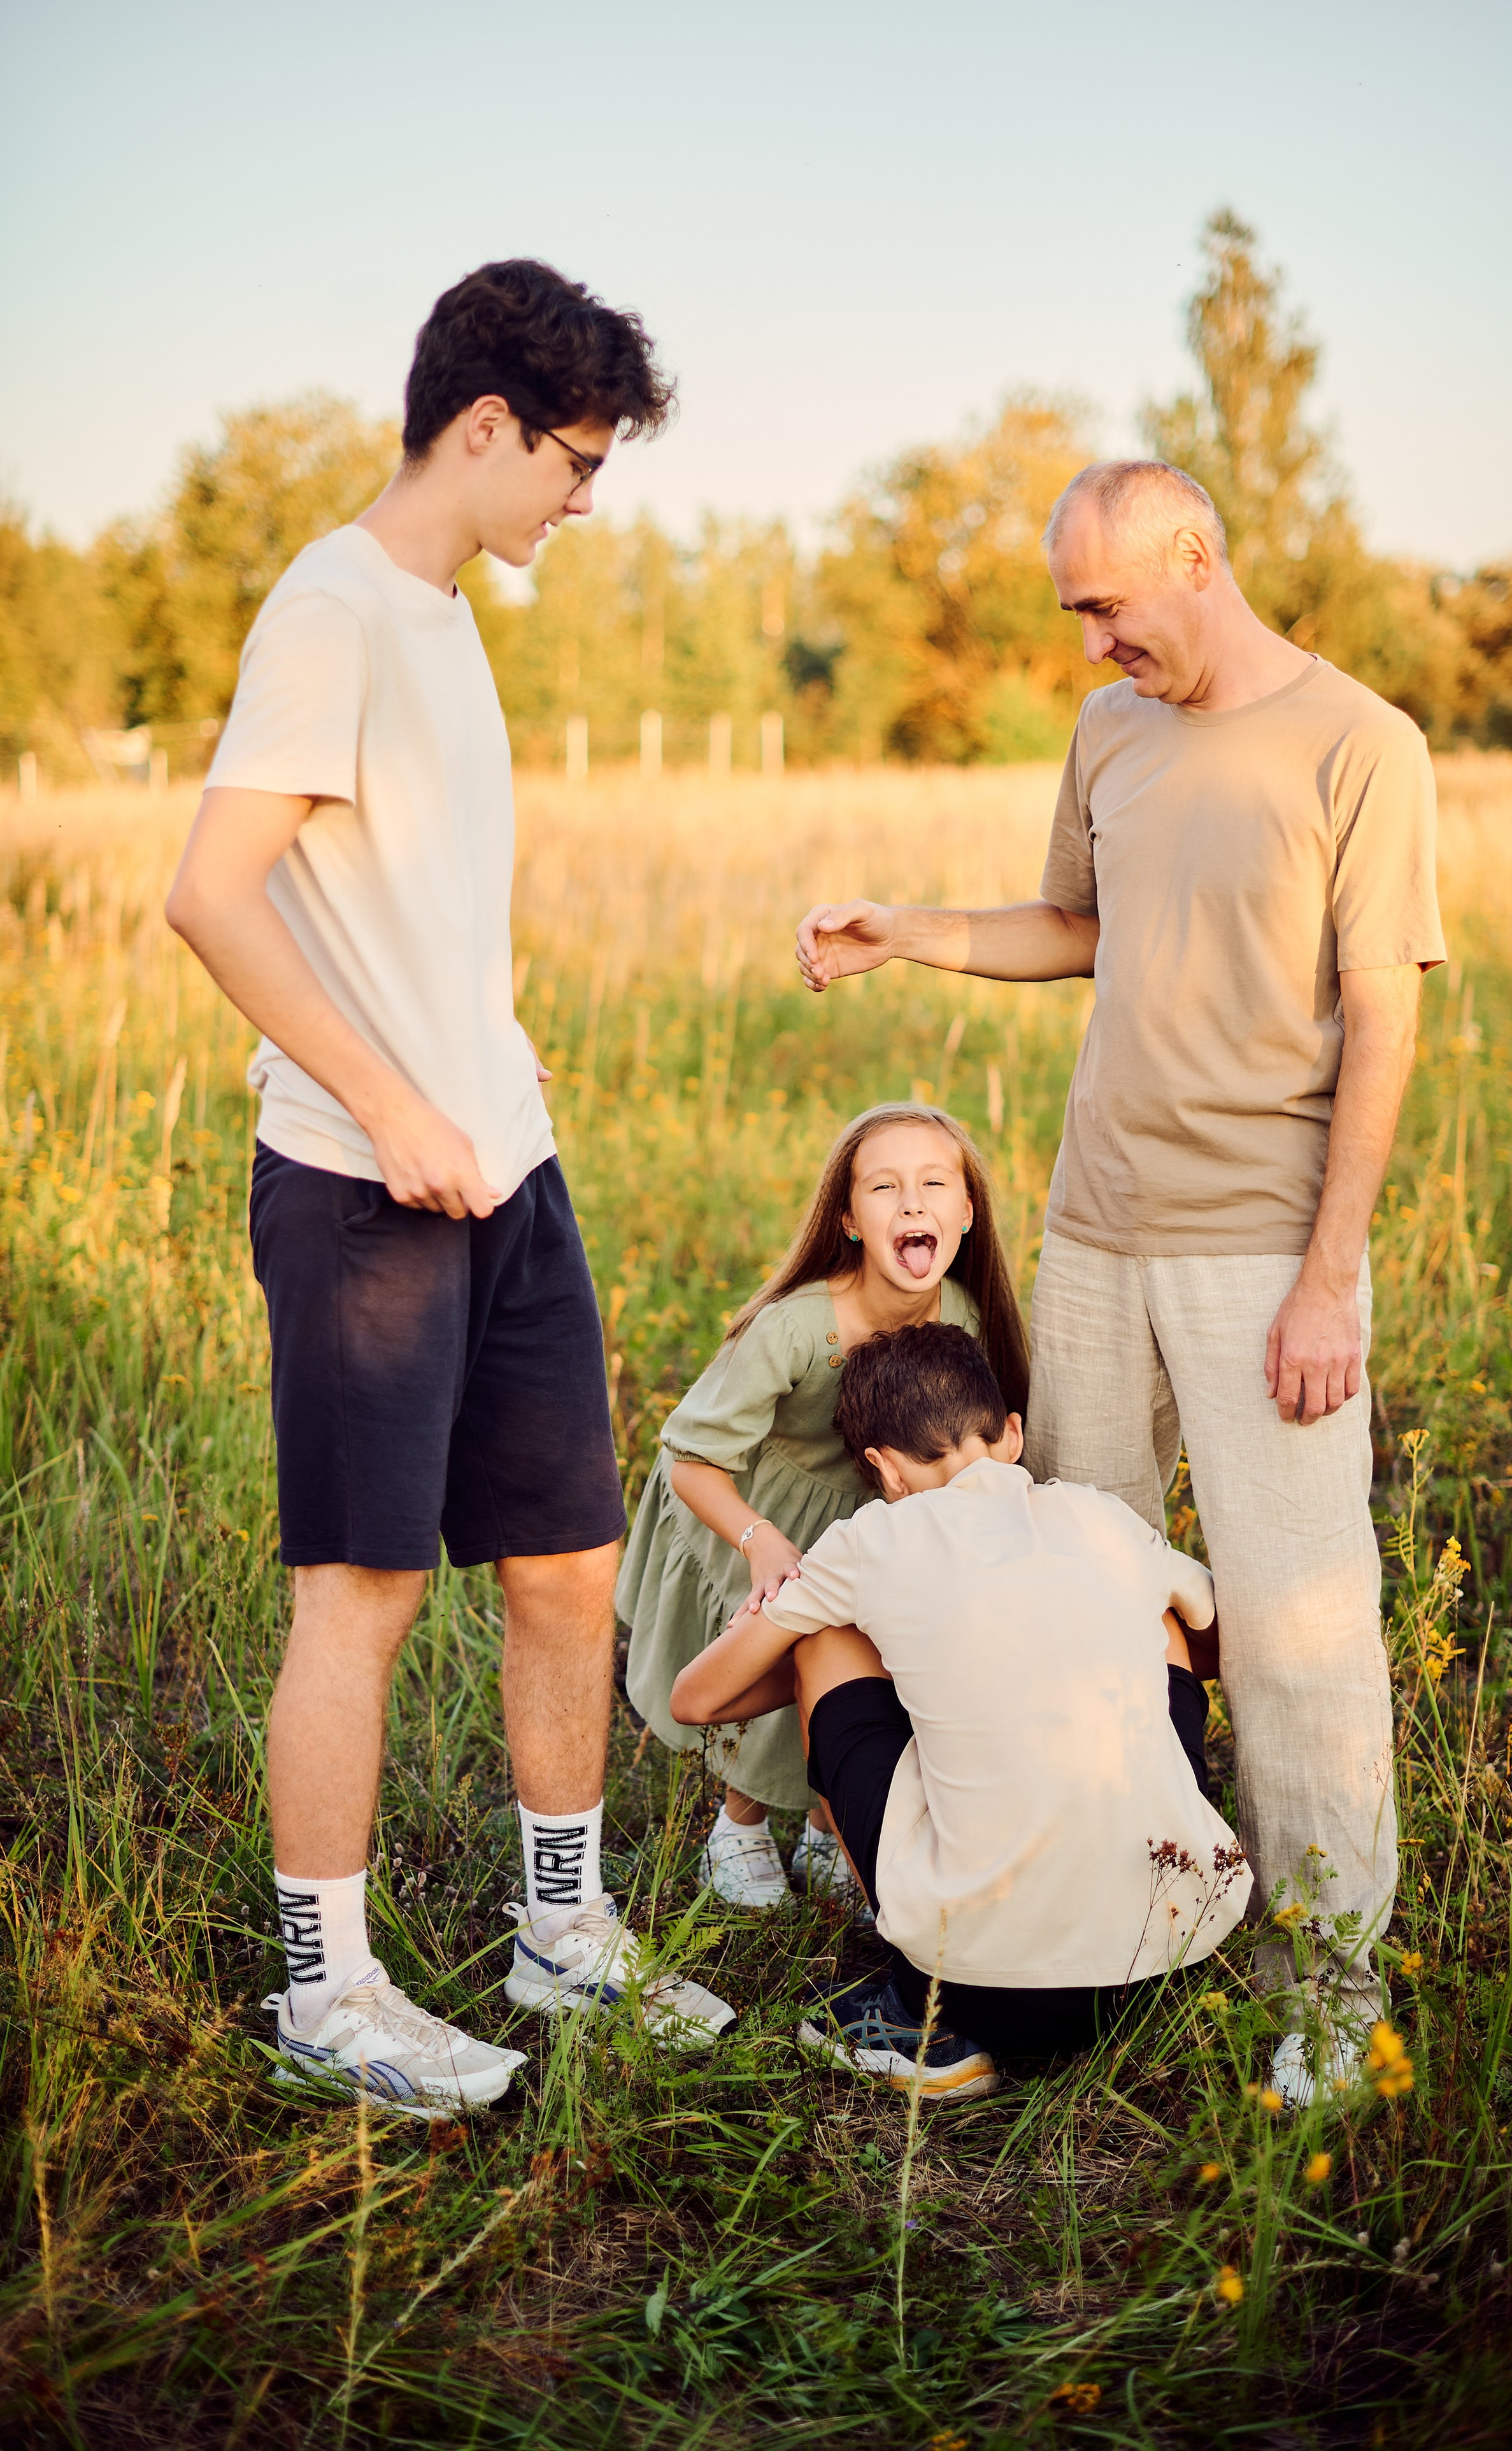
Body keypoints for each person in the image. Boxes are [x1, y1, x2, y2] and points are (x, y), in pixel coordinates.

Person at [793, 461, 1445, 2108]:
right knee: (1060, 1602)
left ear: (1194, 559)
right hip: (1093, 1236)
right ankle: (1083, 1914)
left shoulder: (1361, 744)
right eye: (1073, 610)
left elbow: (1385, 1022)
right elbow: (1077, 923)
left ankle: (1322, 1991)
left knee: (1298, 1633)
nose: (1090, 642)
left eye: (1105, 605)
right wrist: (913, 931)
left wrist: (1328, 1278)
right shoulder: (1115, 736)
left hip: (1259, 1250)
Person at [166, 259, 734, 2116]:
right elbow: (212, 890)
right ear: (481, 424)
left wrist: (481, 1074)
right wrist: (392, 1100)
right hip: (364, 1192)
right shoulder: (328, 608)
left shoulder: (443, 615)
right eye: (574, 459)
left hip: (511, 1171)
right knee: (366, 1590)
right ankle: (326, 1994)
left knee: (568, 1566)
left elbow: (400, 906)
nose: (587, 496)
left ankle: (556, 1936)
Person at [671, 1323, 1245, 2099]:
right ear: (1011, 1434)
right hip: (1168, 1955)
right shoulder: (1098, 1516)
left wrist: (825, 1648)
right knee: (1164, 1617)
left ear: (884, 1470)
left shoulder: (870, 1539)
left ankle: (915, 2018)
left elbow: (698, 1698)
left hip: (977, 1990)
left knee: (822, 1639)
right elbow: (1220, 1646)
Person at [620, 1104, 1028, 1908]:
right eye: (884, 1187)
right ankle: (735, 1829)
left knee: (873, 1668)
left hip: (880, 1515)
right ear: (847, 1219)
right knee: (778, 1660)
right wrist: (759, 1539)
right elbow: (691, 1458)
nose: (912, 1204)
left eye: (934, 1183)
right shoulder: (798, 1328)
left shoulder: (965, 1313)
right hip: (756, 1506)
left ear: (968, 1211)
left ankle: (823, 1824)